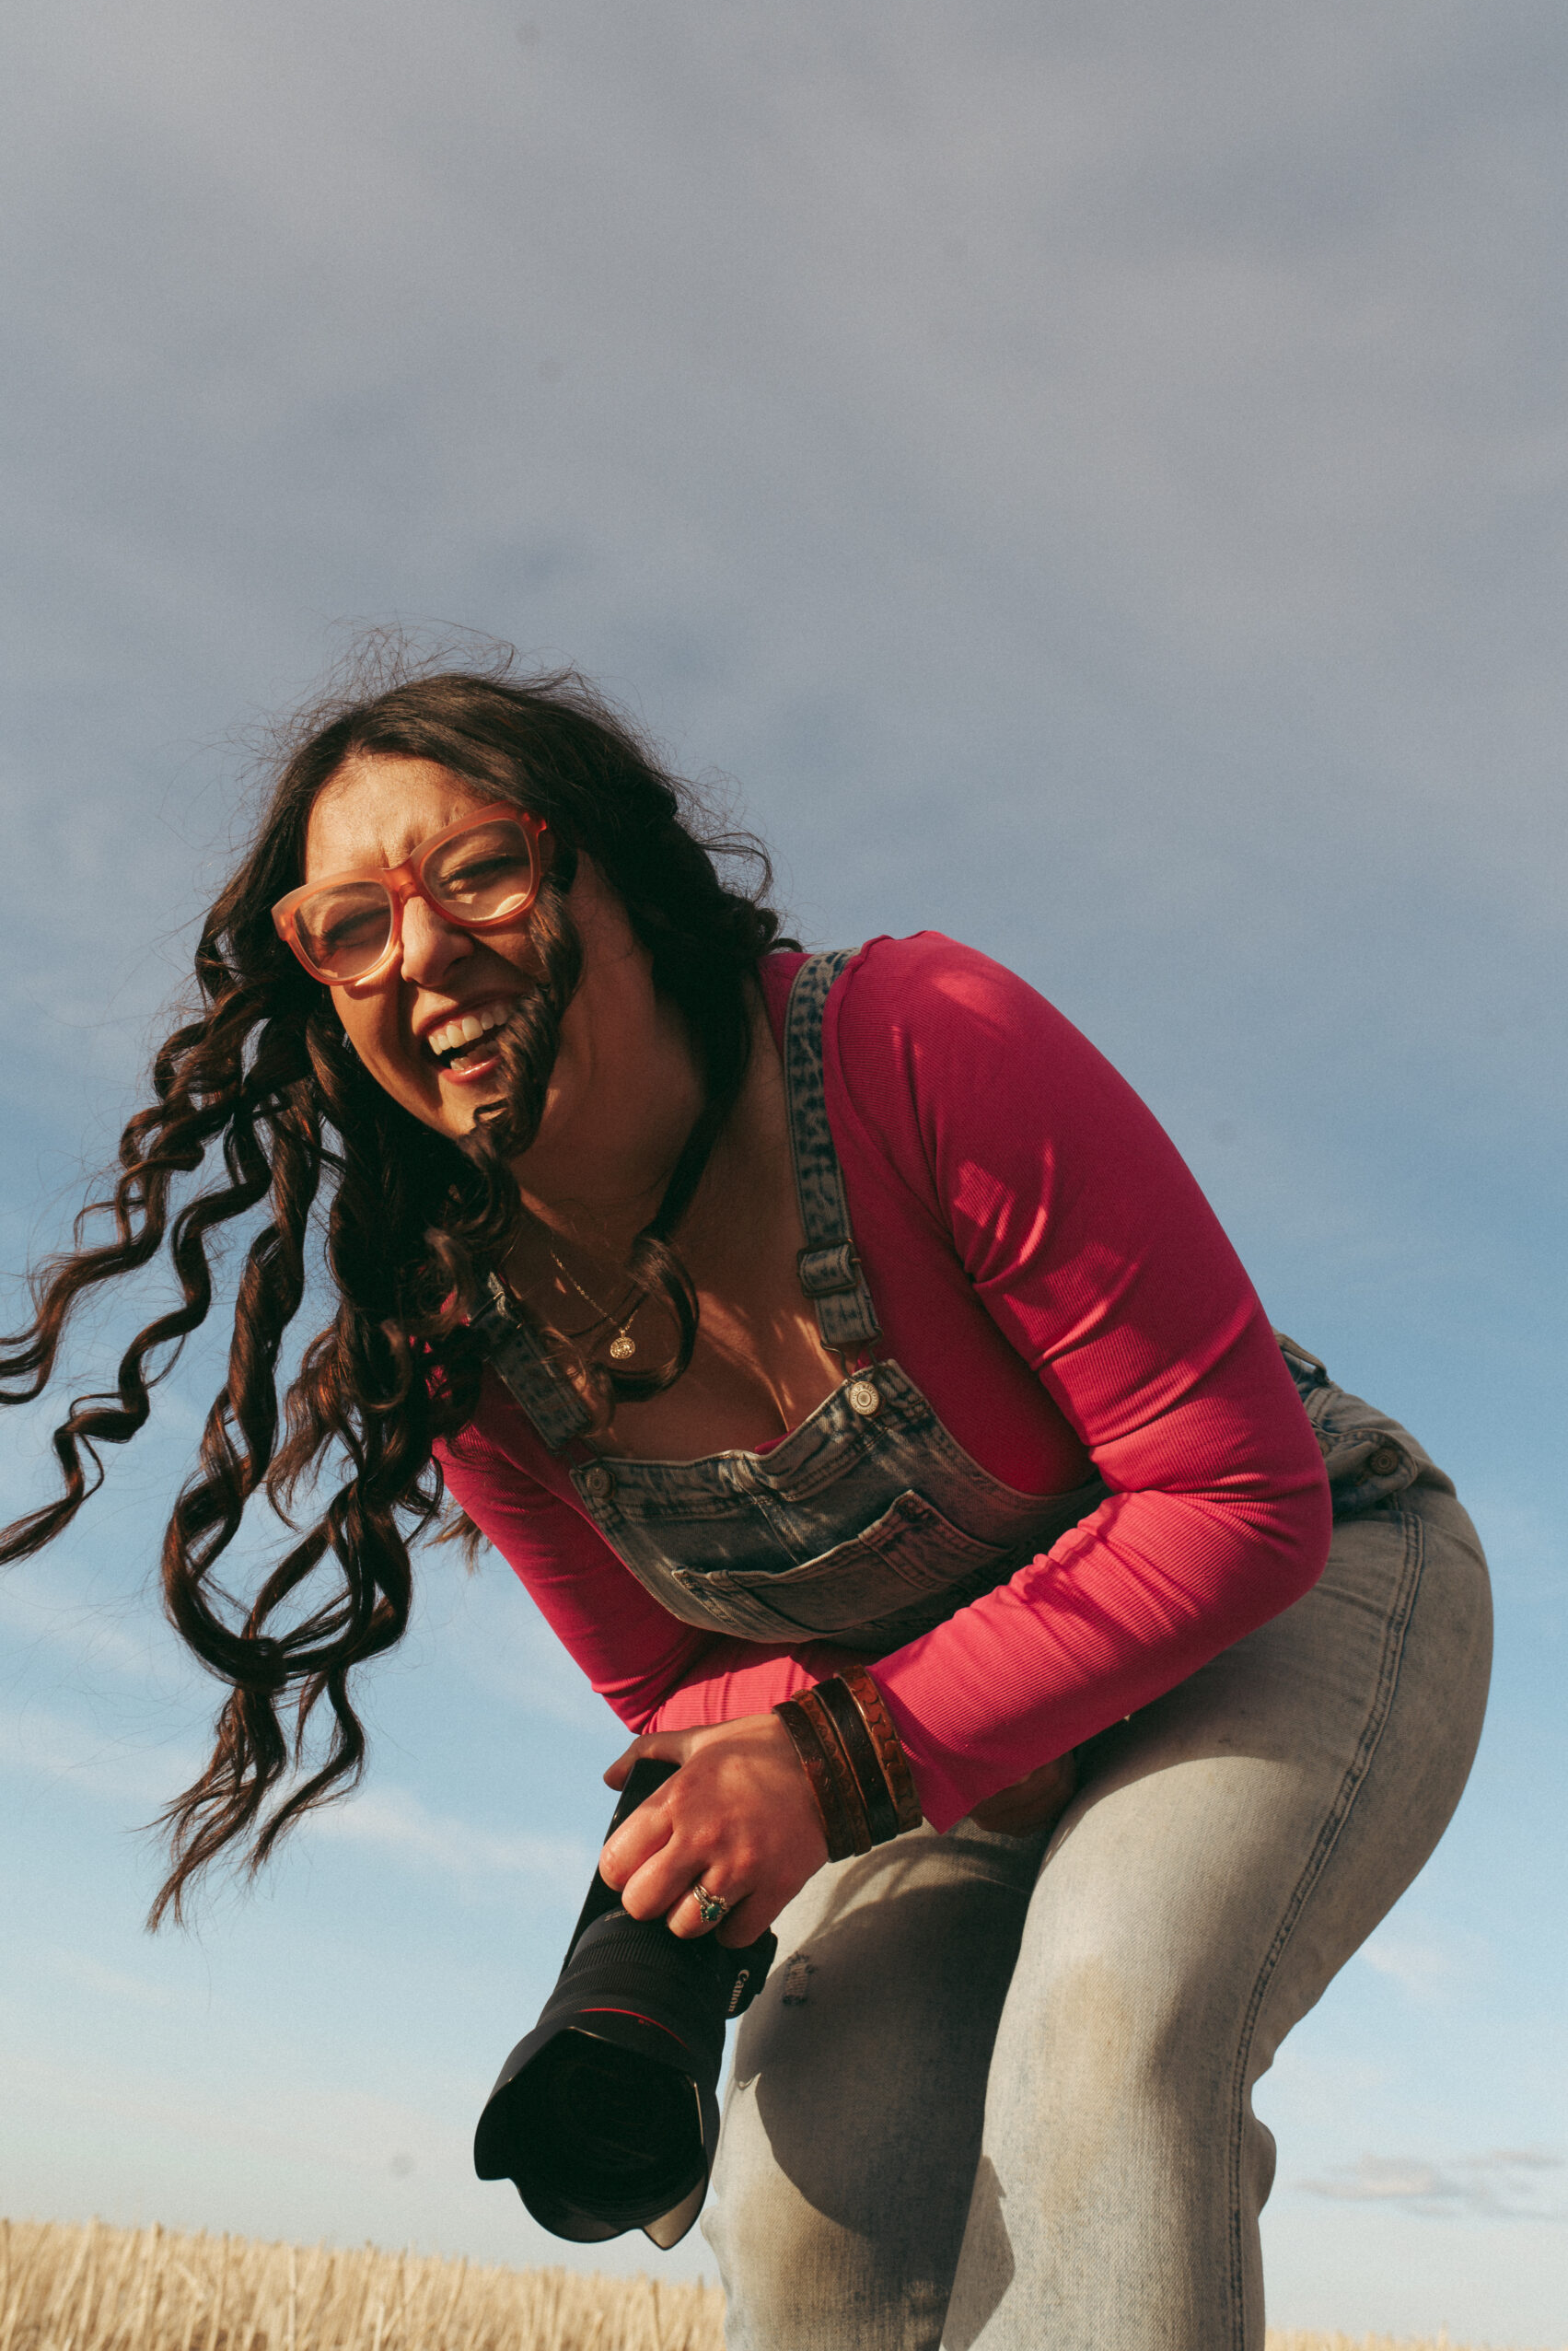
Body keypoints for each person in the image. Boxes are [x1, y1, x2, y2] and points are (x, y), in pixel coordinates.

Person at [1, 659, 1492, 2351]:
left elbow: (1231, 1490)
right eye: (348, 924)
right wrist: (781, 1793)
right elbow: (669, 1680)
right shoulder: (457, 1335)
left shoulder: (925, 1045)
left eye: (477, 869)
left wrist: (849, 1760)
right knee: (807, 2195)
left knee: (1106, 2021)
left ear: (620, 878)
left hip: (1297, 1589)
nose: (417, 950)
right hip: (950, 1738)